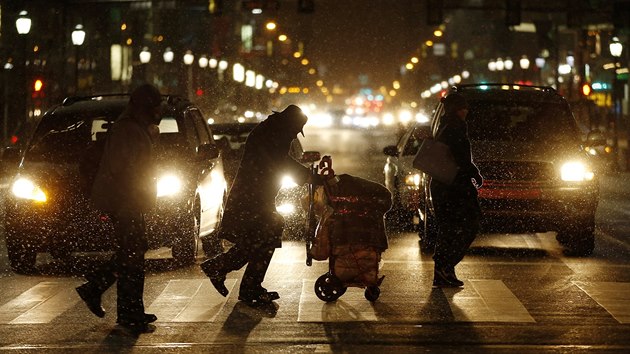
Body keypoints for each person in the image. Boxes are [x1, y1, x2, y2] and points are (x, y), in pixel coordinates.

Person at [201, 104, 312, 305]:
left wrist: (306, 175)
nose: (296, 135)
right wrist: (308, 176)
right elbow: (279, 163)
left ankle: (242, 281)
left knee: (263, 238)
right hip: (252, 198)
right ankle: (228, 271)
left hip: (257, 197)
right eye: (296, 130)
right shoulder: (273, 136)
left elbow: (280, 162)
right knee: (266, 236)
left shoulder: (272, 131)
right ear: (290, 125)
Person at [75, 83, 162, 332]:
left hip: (130, 201)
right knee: (132, 256)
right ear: (145, 106)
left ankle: (116, 300)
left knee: (132, 252)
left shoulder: (134, 128)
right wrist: (132, 200)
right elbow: (124, 169)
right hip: (126, 202)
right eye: (154, 107)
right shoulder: (128, 130)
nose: (158, 112)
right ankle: (126, 311)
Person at [430, 92, 483, 288]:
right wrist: (474, 173)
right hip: (453, 187)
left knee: (449, 228)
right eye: (463, 107)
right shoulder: (455, 127)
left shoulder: (444, 125)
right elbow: (461, 158)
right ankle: (445, 267)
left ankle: (443, 269)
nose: (466, 111)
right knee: (468, 224)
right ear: (457, 109)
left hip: (444, 184)